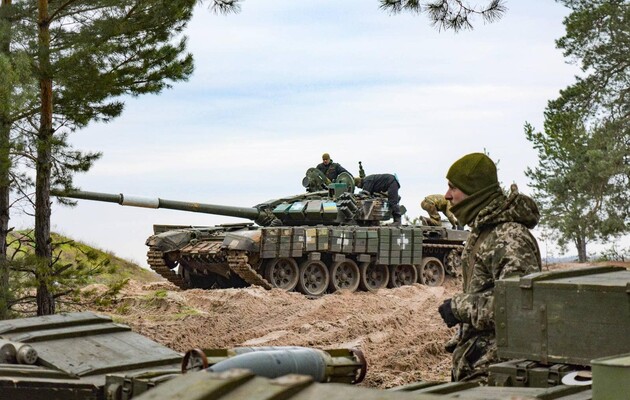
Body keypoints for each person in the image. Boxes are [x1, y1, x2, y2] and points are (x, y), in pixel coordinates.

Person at [437, 152, 541, 383]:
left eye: (453, 187)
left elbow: (520, 307)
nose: (447, 195)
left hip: (498, 369)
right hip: (481, 364)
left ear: (474, 191)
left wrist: (459, 307)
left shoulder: (508, 238)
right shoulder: (484, 231)